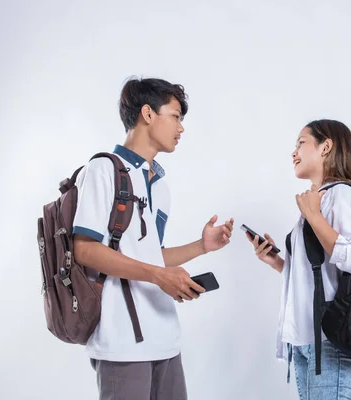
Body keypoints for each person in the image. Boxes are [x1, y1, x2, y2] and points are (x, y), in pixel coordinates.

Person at [72, 77, 234, 399]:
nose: (181, 128)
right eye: (175, 116)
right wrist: (159, 276)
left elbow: (149, 255)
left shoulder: (160, 186)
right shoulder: (103, 170)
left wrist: (201, 246)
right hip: (122, 343)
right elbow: (86, 251)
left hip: (165, 339)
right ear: (148, 114)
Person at [246, 119, 351, 399]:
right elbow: (320, 273)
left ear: (326, 147)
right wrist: (277, 262)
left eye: (301, 143)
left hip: (329, 340)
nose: (294, 152)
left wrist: (313, 215)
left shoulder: (342, 194)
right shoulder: (319, 199)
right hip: (306, 339)